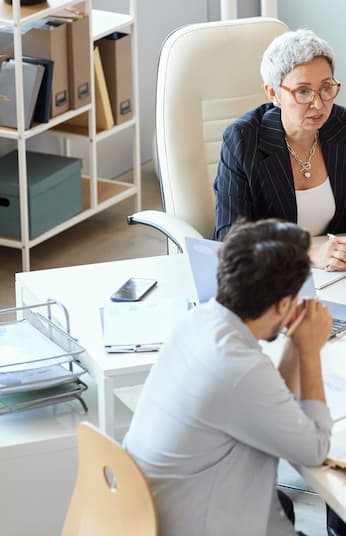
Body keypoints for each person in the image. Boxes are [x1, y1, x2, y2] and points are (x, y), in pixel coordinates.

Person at [123, 219, 333, 536]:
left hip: (154, 512)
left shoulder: (198, 322)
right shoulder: (239, 369)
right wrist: (310, 353)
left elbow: (268, 405)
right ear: (282, 304)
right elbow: (314, 450)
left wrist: (294, 342)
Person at [214, 28, 346, 271]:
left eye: (326, 88)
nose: (318, 104)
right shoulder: (243, 139)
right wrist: (306, 256)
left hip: (339, 274)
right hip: (273, 277)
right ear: (273, 92)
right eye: (303, 92)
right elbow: (230, 238)